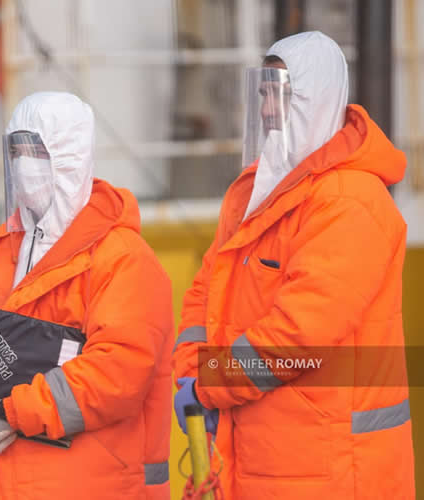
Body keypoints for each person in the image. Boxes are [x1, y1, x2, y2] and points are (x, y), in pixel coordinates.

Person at [172, 31, 415, 498]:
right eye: (263, 92)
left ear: (318, 99)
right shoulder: (253, 192)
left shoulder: (351, 202)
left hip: (330, 470)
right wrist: (189, 371)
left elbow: (301, 332)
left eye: (281, 94)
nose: (266, 109)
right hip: (258, 456)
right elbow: (205, 292)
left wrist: (206, 384)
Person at [0, 91, 175, 499]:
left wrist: (9, 412)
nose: (24, 166)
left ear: (70, 155)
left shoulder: (123, 259)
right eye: (16, 151)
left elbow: (116, 375)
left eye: (36, 151)